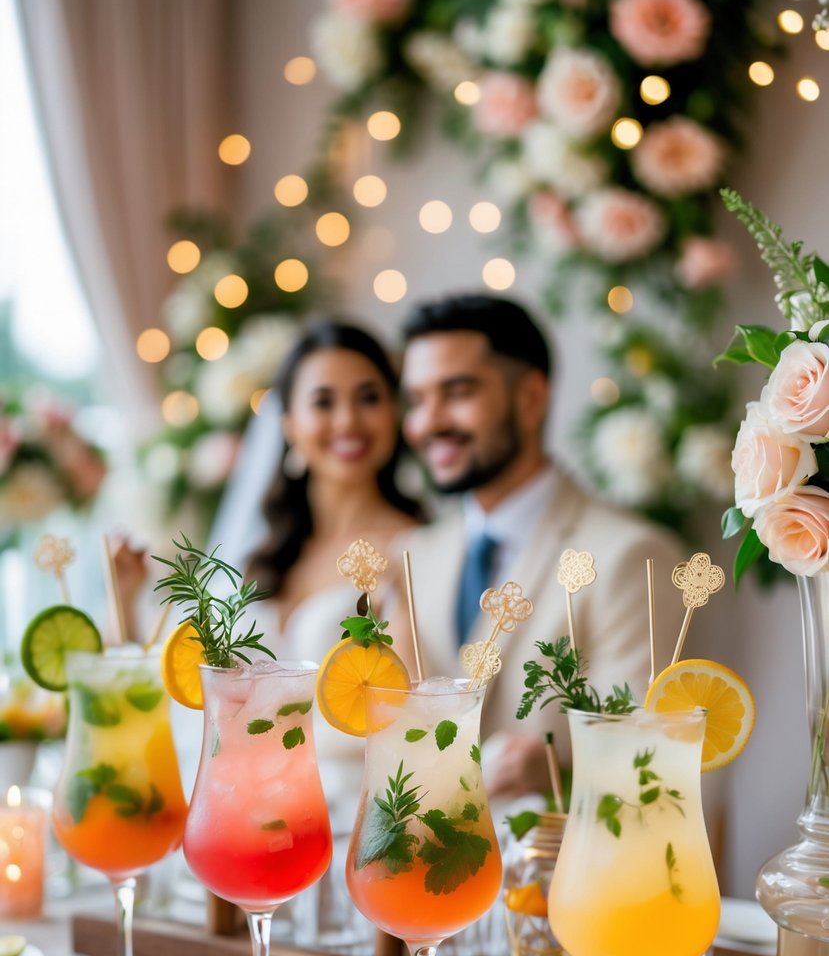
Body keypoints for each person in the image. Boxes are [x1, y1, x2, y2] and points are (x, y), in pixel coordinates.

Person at [397, 293, 685, 804]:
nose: (428, 422)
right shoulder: (415, 555)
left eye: (456, 392)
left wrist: (551, 766)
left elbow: (648, 764)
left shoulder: (631, 555)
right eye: (416, 400)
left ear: (530, 398)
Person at [245, 318, 423, 823]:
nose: (347, 419)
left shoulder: (415, 553)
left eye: (368, 397)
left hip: (358, 821)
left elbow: (410, 716)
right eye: (323, 402)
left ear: (394, 413)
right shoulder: (271, 554)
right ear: (289, 426)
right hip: (255, 815)